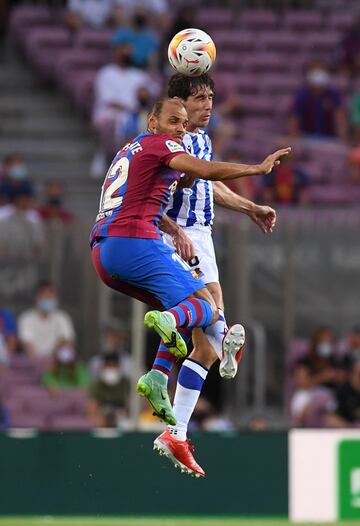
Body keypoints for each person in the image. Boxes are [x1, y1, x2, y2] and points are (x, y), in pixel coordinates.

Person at [90, 98, 290, 475]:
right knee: (207, 308)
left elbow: (140, 199)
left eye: (184, 122)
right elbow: (207, 171)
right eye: (175, 120)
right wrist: (258, 168)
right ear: (153, 121)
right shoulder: (163, 145)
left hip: (106, 250)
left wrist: (173, 226)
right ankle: (204, 336)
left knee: (198, 319)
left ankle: (161, 385)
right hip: (136, 242)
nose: (181, 128)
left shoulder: (130, 149)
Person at [151, 75, 281, 476]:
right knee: (208, 322)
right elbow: (166, 187)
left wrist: (250, 207)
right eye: (199, 98)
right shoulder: (173, 142)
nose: (208, 105)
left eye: (211, 97)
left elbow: (210, 188)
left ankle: (177, 429)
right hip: (180, 237)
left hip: (202, 237)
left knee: (204, 351)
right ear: (180, 103)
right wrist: (175, 232)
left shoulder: (202, 141)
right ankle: (221, 337)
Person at [288, 61, 347, 139]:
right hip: (306, 138)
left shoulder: (333, 94)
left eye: (321, 71)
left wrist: (341, 139)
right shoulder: (301, 96)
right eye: (315, 72)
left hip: (330, 139)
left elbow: (340, 119)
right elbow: (294, 120)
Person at [18, 281, 76, 360]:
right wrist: (40, 363)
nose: (48, 300)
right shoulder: (26, 318)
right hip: (32, 363)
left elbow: (68, 341)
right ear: (37, 298)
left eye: (51, 297)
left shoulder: (62, 317)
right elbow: (27, 346)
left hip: (56, 364)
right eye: (45, 297)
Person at [88, 352, 130, 427]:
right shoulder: (98, 384)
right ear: (103, 367)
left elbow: (132, 404)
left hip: (122, 419)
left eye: (114, 366)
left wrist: (125, 413)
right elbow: (92, 407)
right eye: (108, 366)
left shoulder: (126, 383)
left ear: (119, 367)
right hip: (101, 418)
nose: (111, 369)